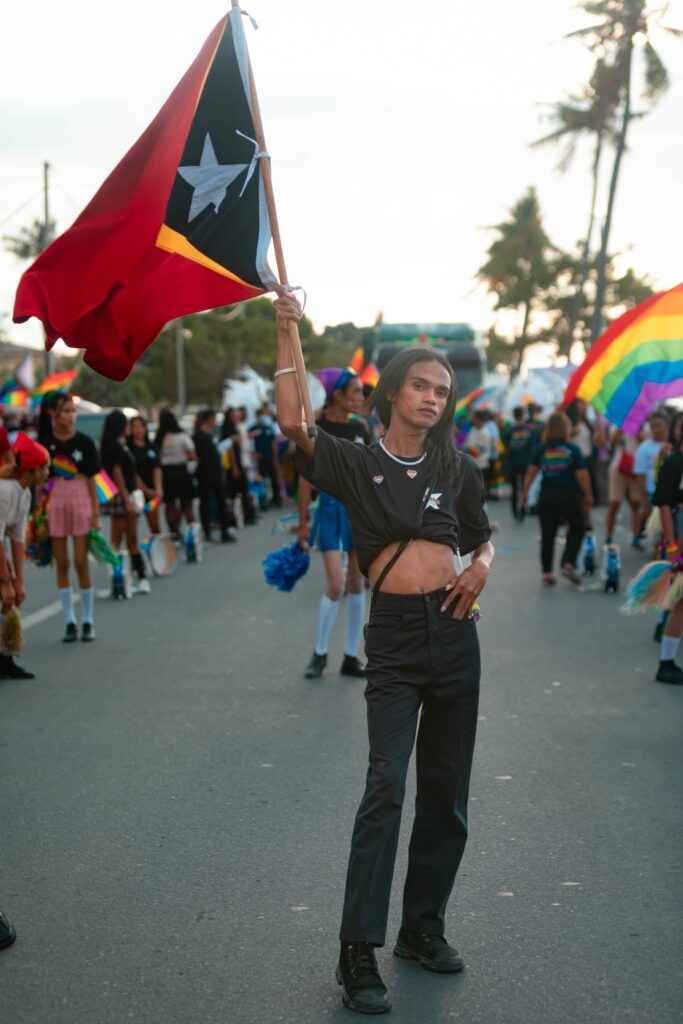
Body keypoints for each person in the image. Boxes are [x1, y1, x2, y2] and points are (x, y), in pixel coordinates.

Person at [274, 290, 493, 1015]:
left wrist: (482, 563)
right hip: (395, 639)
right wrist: (287, 329)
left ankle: (420, 929)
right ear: (394, 390)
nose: (432, 398)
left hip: (456, 634)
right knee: (385, 789)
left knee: (446, 795)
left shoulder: (456, 469)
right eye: (421, 385)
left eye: (443, 391)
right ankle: (356, 951)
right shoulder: (351, 462)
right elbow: (293, 421)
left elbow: (480, 534)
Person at [298, 367, 370, 680]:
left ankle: (351, 656)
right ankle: (320, 652)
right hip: (328, 511)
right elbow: (305, 478)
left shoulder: (361, 428)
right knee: (336, 584)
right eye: (355, 392)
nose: (360, 397)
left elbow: (370, 476)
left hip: (358, 511)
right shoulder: (317, 426)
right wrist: (303, 521)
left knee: (356, 583)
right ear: (337, 395)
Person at [46, 394, 101, 642]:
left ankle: (88, 620)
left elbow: (92, 480)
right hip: (55, 500)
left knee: (80, 561)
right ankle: (70, 621)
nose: (69, 416)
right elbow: (40, 482)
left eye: (72, 411)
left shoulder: (86, 442)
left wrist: (96, 513)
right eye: (64, 411)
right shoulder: (45, 443)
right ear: (54, 414)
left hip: (80, 500)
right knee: (62, 562)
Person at [521, 411, 593, 585]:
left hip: (548, 495)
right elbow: (582, 475)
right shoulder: (573, 449)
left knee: (548, 534)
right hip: (570, 496)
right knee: (577, 529)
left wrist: (524, 494)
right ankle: (568, 562)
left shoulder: (542, 449)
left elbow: (531, 473)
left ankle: (547, 572)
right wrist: (589, 495)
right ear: (566, 429)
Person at [0, 433, 50, 679]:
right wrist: (5, 581)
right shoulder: (5, 491)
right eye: (45, 467)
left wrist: (19, 580)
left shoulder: (25, 493)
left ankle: (5, 659)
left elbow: (17, 539)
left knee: (10, 600)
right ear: (33, 469)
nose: (48, 473)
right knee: (3, 595)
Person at [100, 410, 151, 595]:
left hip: (127, 496)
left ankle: (137, 577)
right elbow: (117, 474)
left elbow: (130, 474)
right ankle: (120, 579)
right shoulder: (115, 447)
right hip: (123, 498)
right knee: (119, 541)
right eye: (128, 424)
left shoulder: (121, 445)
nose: (130, 428)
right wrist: (126, 500)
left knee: (129, 540)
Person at [651, 428, 683, 684]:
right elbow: (664, 503)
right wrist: (674, 545)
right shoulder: (673, 462)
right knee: (679, 599)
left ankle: (667, 660)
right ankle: (666, 661)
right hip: (677, 534)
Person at [193, 409, 234, 542]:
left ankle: (225, 530)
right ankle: (207, 531)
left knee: (221, 502)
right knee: (205, 503)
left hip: (216, 474)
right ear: (209, 420)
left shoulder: (210, 435)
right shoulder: (198, 436)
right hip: (205, 475)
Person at [155, 408, 196, 541]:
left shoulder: (159, 438)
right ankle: (192, 533)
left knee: (170, 505)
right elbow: (191, 456)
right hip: (182, 472)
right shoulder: (182, 436)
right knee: (186, 505)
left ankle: (174, 533)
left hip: (167, 473)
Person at [605, 426, 643, 548]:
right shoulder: (617, 425)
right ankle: (609, 536)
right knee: (614, 503)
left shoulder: (644, 426)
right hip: (618, 467)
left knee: (636, 503)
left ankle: (636, 536)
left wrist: (635, 431)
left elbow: (644, 442)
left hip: (637, 469)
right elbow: (613, 442)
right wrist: (621, 428)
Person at [129, 415, 163, 535]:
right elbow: (132, 472)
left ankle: (155, 550)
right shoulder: (129, 449)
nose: (139, 429)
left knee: (155, 525)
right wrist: (145, 489)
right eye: (135, 426)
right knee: (132, 526)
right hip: (135, 493)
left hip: (152, 493)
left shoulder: (152, 447)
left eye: (141, 426)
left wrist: (158, 489)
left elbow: (157, 468)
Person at [249, 405, 283, 508]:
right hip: (259, 459)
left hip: (270, 458)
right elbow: (249, 443)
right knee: (261, 480)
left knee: (274, 479)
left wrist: (276, 458)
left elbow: (274, 444)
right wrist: (254, 454)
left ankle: (277, 500)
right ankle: (263, 501)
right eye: (261, 414)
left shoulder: (269, 428)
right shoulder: (252, 429)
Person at [505, 406, 535, 521]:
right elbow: (532, 445)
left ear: (513, 415)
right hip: (525, 462)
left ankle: (515, 512)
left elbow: (507, 444)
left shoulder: (510, 430)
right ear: (523, 415)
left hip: (512, 462)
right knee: (523, 488)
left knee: (514, 489)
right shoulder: (529, 430)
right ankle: (522, 512)